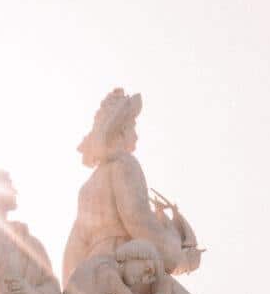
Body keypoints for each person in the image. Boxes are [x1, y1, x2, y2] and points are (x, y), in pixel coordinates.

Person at [62, 89, 201, 284]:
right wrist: (179, 258)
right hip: (123, 267)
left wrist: (71, 292)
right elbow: (137, 219)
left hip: (89, 275)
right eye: (133, 128)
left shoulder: (87, 186)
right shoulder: (125, 164)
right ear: (122, 130)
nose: (136, 136)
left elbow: (73, 248)